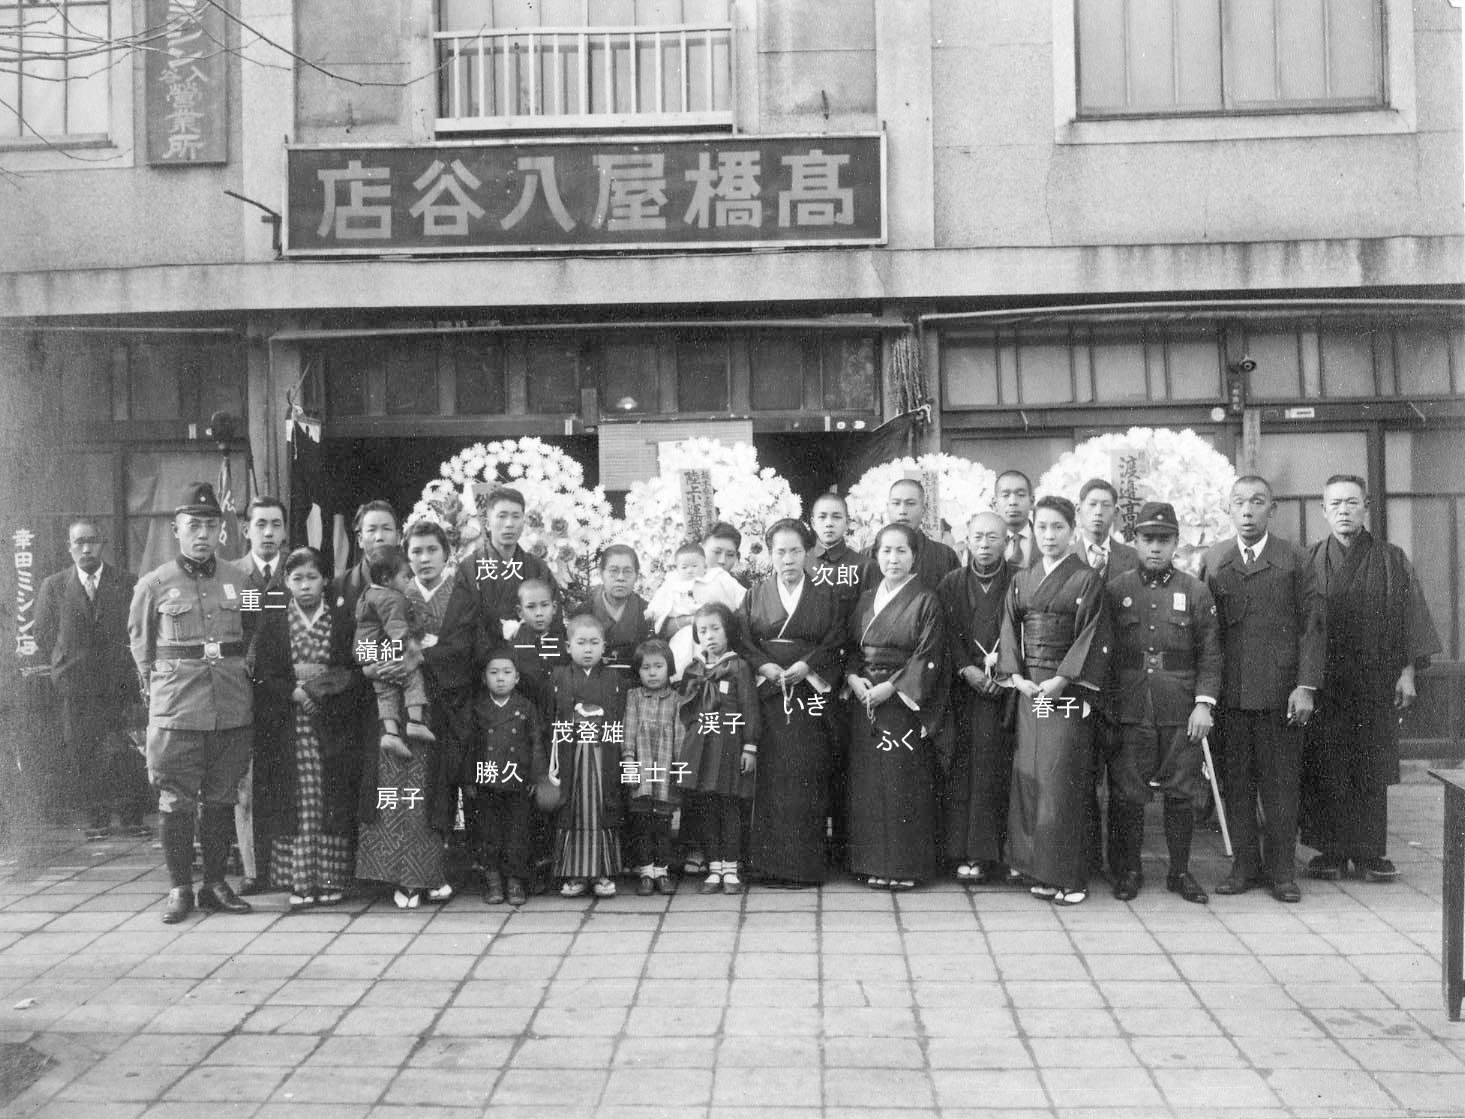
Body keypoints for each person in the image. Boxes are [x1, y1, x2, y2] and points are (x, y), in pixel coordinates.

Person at [1301, 475, 1441, 884]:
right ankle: (1329, 851)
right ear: (1323, 511)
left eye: (1352, 502)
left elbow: (1411, 617)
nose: (1344, 510)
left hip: (1374, 679)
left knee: (1370, 766)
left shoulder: (1391, 559)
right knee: (1326, 764)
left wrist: (1408, 672)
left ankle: (1369, 853)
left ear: (1366, 507)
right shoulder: (1309, 560)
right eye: (1335, 504)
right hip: (1325, 681)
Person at [128, 482, 254, 924]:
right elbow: (141, 647)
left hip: (230, 707)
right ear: (176, 529)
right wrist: (160, 691)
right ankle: (180, 887)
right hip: (178, 711)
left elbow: (255, 632)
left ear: (221, 530)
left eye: (210, 526)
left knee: (222, 797)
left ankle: (215, 885)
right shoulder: (153, 585)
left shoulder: (241, 580)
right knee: (175, 800)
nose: (202, 534)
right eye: (193, 525)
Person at [1203, 475, 1324, 904]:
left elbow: (1313, 625)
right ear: (1228, 509)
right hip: (1231, 694)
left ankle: (1281, 872)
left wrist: (1305, 686)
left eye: (1257, 502)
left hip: (1280, 693)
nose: (1248, 510)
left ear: (1272, 509)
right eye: (1239, 502)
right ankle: (1244, 867)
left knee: (1280, 786)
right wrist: (1206, 696)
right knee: (1236, 784)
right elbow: (1206, 632)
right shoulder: (1215, 559)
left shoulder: (1295, 558)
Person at [356, 520, 478, 908]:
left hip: (438, 706)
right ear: (405, 558)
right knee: (395, 791)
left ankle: (425, 875)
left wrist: (422, 656)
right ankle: (397, 877)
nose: (424, 559)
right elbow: (363, 640)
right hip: (393, 706)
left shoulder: (462, 595)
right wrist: (377, 665)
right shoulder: (394, 593)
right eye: (416, 552)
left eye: (432, 550)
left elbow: (467, 648)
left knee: (428, 795)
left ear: (447, 554)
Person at [1105, 502, 1222, 905]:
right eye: (1147, 539)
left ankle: (1180, 872)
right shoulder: (1117, 590)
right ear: (1135, 541)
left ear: (1176, 543)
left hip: (1180, 704)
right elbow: (1105, 653)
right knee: (1128, 791)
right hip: (1131, 704)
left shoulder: (1195, 591)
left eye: (1164, 539)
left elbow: (1210, 652)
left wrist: (1204, 705)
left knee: (1181, 789)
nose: (1155, 547)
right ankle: (1130, 870)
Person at [997, 495, 1110, 907]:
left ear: (1072, 530)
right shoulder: (1022, 580)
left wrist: (1062, 679)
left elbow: (1092, 636)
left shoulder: (1087, 579)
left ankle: (1071, 878)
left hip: (1066, 692)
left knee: (1062, 781)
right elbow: (1009, 628)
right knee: (1031, 778)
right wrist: (1016, 678)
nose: (1049, 535)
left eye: (1057, 527)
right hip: (1031, 690)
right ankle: (1041, 871)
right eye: (1041, 527)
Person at [248, 546, 363, 909]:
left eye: (312, 577)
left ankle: (329, 880)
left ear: (325, 580)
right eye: (297, 578)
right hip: (290, 721)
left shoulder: (342, 621)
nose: (305, 585)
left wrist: (323, 693)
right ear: (286, 581)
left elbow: (353, 669)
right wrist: (294, 692)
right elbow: (263, 673)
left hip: (331, 719)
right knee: (300, 798)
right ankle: (300, 882)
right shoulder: (275, 623)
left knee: (329, 797)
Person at [738, 519, 843, 887]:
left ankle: (803, 867)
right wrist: (763, 666)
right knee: (771, 777)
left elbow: (836, 640)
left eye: (795, 551)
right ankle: (768, 865)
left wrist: (808, 665)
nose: (788, 559)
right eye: (780, 551)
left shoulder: (826, 595)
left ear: (808, 553)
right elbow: (742, 640)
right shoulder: (755, 594)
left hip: (808, 692)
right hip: (769, 692)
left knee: (806, 773)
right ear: (770, 554)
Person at [846, 523, 945, 891]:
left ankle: (904, 867)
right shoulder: (866, 599)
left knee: (903, 781)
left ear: (914, 555)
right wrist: (853, 678)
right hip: (866, 698)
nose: (893, 558)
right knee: (870, 784)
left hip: (902, 701)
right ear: (876, 555)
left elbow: (928, 654)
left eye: (901, 550)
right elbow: (850, 648)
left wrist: (891, 687)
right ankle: (871, 862)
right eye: (886, 551)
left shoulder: (926, 600)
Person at [36, 517, 147, 841]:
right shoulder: (54, 586)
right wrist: (65, 665)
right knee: (83, 751)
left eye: (92, 542)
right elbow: (44, 634)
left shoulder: (126, 582)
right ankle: (96, 818)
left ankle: (131, 816)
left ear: (102, 544)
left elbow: (136, 629)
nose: (86, 549)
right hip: (77, 686)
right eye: (79, 543)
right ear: (69, 548)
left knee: (125, 750)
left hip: (118, 684)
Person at [936, 511, 1018, 883]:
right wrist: (965, 668)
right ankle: (960, 851)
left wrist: (1006, 673)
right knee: (961, 767)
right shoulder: (951, 583)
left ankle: (992, 854)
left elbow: (1026, 632)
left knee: (995, 769)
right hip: (962, 689)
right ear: (966, 541)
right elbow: (943, 632)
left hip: (1005, 691)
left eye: (993, 538)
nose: (984, 545)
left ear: (1007, 542)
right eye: (978, 537)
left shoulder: (1019, 580)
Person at [1070, 478, 1142, 883]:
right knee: (1081, 776)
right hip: (1076, 685)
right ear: (1079, 510)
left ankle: (1123, 865)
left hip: (1121, 684)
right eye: (1091, 504)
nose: (1098, 513)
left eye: (1106, 505)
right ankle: (1084, 860)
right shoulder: (1063, 557)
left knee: (1123, 779)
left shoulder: (1132, 558)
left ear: (1116, 512)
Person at [807, 491, 878, 870]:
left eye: (837, 516)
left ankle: (845, 848)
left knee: (845, 758)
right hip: (809, 673)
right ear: (811, 522)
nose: (829, 523)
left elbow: (869, 622)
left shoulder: (863, 565)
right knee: (813, 758)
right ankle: (814, 845)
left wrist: (852, 672)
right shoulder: (801, 560)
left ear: (848, 522)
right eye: (822, 517)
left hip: (848, 675)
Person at [677, 602, 760, 895]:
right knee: (707, 805)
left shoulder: (738, 667)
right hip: (702, 747)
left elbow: (750, 707)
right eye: (703, 630)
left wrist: (749, 746)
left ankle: (731, 867)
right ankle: (714, 866)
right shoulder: (694, 669)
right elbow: (685, 709)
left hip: (730, 745)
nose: (709, 635)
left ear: (728, 631)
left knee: (730, 805)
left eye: (715, 628)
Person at [231, 496, 290, 893]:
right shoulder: (231, 575)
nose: (268, 533)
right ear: (246, 530)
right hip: (244, 691)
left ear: (285, 530)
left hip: (287, 692)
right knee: (246, 785)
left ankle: (289, 866)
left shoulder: (297, 571)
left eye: (275, 524)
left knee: (285, 779)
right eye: (260, 525)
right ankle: (253, 869)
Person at [548, 614, 627, 898]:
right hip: (571, 754)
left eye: (594, 642)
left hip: (603, 753)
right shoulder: (559, 676)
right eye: (581, 642)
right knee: (573, 811)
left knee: (601, 810)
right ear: (568, 646)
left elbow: (618, 719)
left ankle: (601, 872)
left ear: (604, 646)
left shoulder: (613, 678)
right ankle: (576, 873)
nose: (588, 649)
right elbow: (552, 718)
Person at [466, 651, 545, 906]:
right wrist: (469, 778)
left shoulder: (526, 707)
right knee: (489, 832)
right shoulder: (477, 707)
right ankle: (493, 882)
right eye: (494, 672)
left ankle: (515, 882)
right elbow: (468, 745)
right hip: (486, 779)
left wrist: (535, 776)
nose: (500, 678)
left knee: (517, 833)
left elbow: (536, 742)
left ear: (517, 677)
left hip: (517, 780)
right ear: (484, 677)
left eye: (507, 672)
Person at [355, 548, 436, 755]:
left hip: (368, 654)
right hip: (386, 650)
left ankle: (391, 734)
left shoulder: (368, 593)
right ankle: (415, 722)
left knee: (385, 692)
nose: (409, 580)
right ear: (386, 579)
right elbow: (397, 628)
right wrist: (410, 649)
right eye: (404, 576)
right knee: (412, 678)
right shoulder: (392, 598)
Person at [457, 486, 556, 649]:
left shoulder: (538, 567)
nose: (509, 524)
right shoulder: (469, 568)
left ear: (523, 522)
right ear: (487, 524)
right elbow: (460, 629)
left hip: (531, 656)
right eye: (502, 516)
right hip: (484, 660)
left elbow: (554, 625)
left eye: (516, 516)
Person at [620, 638, 681, 896]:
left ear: (669, 667)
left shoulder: (676, 698)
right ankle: (646, 872)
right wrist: (629, 762)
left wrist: (680, 769)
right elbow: (629, 730)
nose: (652, 673)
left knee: (663, 822)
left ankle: (662, 871)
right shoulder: (633, 696)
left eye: (658, 666)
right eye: (646, 668)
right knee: (642, 821)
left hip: (666, 769)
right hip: (641, 767)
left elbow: (680, 734)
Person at [646, 542, 747, 677]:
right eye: (684, 567)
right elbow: (659, 600)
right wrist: (652, 611)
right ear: (677, 568)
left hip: (711, 632)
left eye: (694, 566)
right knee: (681, 660)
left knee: (712, 664)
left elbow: (743, 597)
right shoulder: (671, 583)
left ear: (704, 565)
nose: (690, 570)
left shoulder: (717, 577)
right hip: (683, 634)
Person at [879, 479, 961, 591]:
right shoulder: (868, 555)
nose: (902, 511)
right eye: (896, 503)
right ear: (887, 507)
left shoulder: (945, 556)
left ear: (924, 509)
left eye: (910, 504)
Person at [590, 545, 653, 680]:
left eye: (627, 571)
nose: (620, 578)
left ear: (636, 576)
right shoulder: (585, 612)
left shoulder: (647, 612)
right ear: (601, 574)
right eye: (613, 571)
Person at [331, 500, 399, 617]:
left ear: (398, 537)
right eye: (372, 530)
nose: (379, 537)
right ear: (360, 539)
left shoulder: (412, 580)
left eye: (386, 529)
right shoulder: (340, 585)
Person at [994, 470, 1038, 568]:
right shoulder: (983, 544)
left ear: (1032, 502)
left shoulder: (1044, 538)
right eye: (1005, 495)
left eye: (1021, 495)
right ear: (994, 504)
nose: (1013, 502)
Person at [703, 521, 750, 587]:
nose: (722, 561)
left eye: (730, 555)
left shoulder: (740, 586)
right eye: (716, 552)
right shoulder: (690, 583)